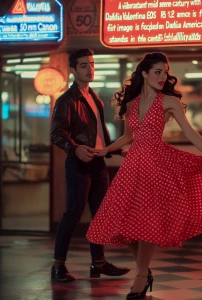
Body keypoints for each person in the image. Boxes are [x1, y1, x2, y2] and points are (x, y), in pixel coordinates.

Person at [86, 52, 202, 299]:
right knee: (121, 223)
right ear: (145, 73)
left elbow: (190, 132)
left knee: (147, 222)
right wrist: (106, 149)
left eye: (165, 72)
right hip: (133, 167)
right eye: (158, 72)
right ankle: (144, 271)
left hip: (157, 166)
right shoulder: (131, 103)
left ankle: (140, 278)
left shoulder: (169, 101)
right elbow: (128, 137)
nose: (163, 76)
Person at [50, 48, 130, 282]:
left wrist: (114, 149)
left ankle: (98, 263)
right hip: (78, 163)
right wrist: (74, 148)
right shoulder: (67, 100)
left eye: (92, 64)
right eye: (84, 65)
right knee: (73, 213)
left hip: (97, 163)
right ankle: (58, 266)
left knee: (101, 215)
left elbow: (98, 133)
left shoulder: (93, 97)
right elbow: (56, 133)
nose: (90, 68)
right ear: (73, 70)